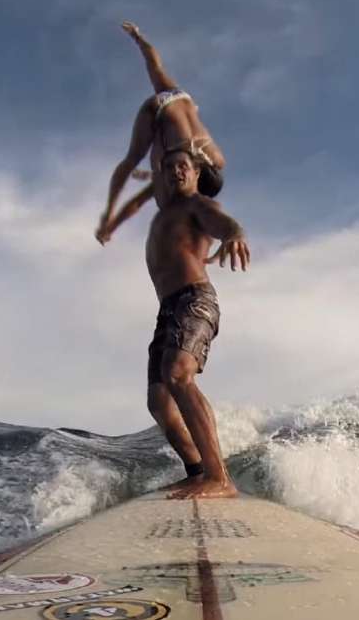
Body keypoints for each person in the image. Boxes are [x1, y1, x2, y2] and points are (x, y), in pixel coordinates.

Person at [102, 149, 251, 499]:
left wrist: (234, 235)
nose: (175, 173)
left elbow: (224, 223)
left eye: (182, 166)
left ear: (196, 172)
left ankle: (220, 478)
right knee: (158, 402)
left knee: (180, 374)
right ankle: (197, 470)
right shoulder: (166, 214)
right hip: (167, 309)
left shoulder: (197, 207)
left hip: (194, 300)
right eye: (168, 169)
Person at [96, 21, 228, 245]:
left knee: (156, 67)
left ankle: (138, 35)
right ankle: (107, 211)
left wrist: (138, 37)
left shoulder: (217, 159)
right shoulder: (178, 170)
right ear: (195, 179)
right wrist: (111, 223)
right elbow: (138, 201)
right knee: (134, 161)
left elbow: (154, 64)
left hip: (181, 100)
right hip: (157, 111)